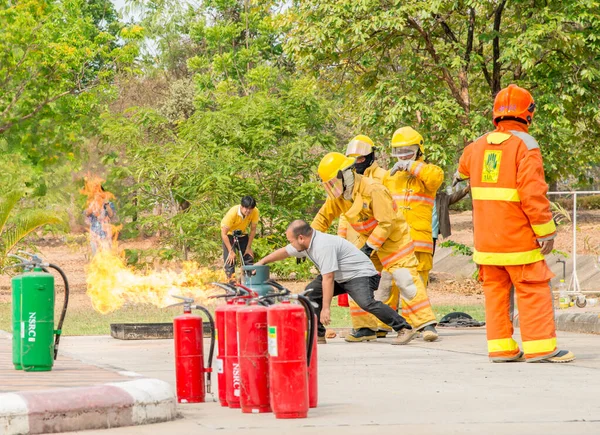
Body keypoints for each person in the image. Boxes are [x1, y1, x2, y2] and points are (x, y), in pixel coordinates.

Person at [456, 84, 574, 363]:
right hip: (517, 238)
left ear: (496, 114)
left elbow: (462, 170)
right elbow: (532, 193)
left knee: (495, 292)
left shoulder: (477, 144)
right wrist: (545, 231)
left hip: (486, 241)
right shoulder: (526, 145)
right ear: (528, 114)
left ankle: (501, 349)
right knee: (532, 288)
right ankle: (541, 348)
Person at [311, 151, 433, 345]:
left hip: (393, 239)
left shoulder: (373, 189)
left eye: (333, 181)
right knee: (354, 277)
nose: (332, 187)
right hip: (367, 239)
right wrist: (309, 242)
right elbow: (322, 218)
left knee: (406, 280)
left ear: (345, 174)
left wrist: (369, 248)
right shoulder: (339, 194)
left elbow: (386, 223)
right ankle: (365, 328)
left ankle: (425, 324)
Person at [255, 220, 414, 345]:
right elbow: (283, 252)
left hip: (361, 274)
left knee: (366, 303)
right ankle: (319, 335)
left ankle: (404, 328)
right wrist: (260, 263)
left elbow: (328, 278)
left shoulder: (322, 245)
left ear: (301, 238)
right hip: (342, 276)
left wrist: (326, 308)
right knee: (310, 293)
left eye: (291, 240)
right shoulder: (305, 244)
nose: (290, 244)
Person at [337, 135, 402, 343]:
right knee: (356, 279)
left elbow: (390, 208)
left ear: (370, 156)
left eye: (360, 158)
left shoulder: (383, 176)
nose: (356, 164)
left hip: (383, 235)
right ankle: (365, 327)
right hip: (356, 237)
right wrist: (341, 237)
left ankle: (384, 324)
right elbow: (342, 210)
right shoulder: (346, 178)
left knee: (390, 279)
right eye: (352, 160)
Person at [383, 126, 444, 341]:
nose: (402, 156)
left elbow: (435, 180)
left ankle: (420, 326)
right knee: (389, 286)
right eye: (398, 151)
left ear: (419, 150)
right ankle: (388, 325)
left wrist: (413, 167)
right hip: (394, 242)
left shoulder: (429, 172)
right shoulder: (389, 178)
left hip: (419, 241)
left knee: (414, 285)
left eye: (408, 151)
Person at [220, 196, 259, 282]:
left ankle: (249, 284)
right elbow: (223, 233)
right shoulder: (232, 213)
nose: (248, 211)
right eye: (246, 208)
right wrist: (231, 251)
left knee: (248, 258)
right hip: (229, 235)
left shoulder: (255, 211)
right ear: (241, 206)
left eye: (250, 209)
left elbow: (253, 230)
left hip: (241, 234)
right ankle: (231, 288)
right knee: (230, 260)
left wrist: (248, 247)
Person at [432, 183, 471, 253]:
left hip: (432, 235)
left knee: (428, 258)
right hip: (419, 233)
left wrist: (466, 189)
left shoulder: (441, 198)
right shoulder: (419, 198)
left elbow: (453, 197)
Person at [84, 184, 117, 255]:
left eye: (99, 192)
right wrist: (94, 204)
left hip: (105, 232)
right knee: (95, 254)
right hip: (94, 232)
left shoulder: (108, 203)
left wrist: (106, 203)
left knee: (107, 253)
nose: (97, 194)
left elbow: (111, 215)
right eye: (95, 192)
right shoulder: (91, 203)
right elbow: (87, 213)